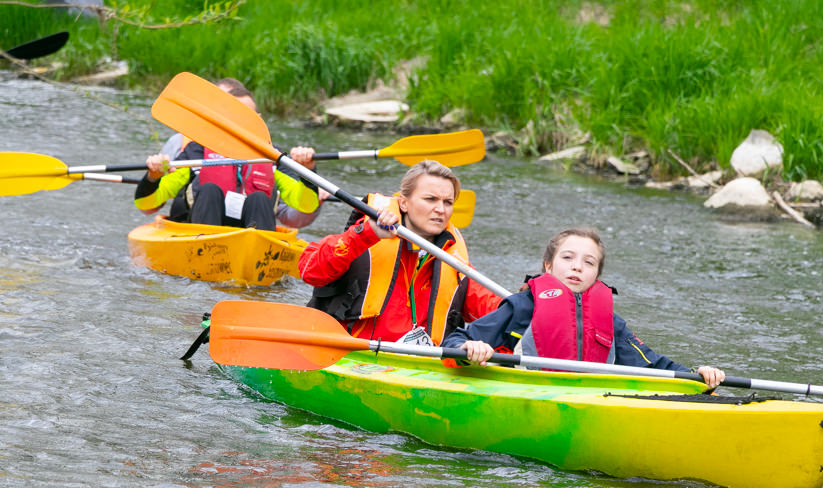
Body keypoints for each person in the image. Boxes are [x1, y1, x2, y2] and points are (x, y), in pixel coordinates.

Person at [442, 227, 726, 388]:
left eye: (589, 262)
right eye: (568, 257)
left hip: (589, 401)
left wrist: (697, 375)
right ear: (549, 266)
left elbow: (653, 365)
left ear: (596, 276)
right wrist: (472, 349)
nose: (577, 266)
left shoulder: (611, 322)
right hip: (528, 396)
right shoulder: (521, 306)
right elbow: (456, 340)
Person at [298, 160, 501, 345]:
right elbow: (310, 271)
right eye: (430, 199)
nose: (441, 209)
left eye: (447, 202)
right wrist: (365, 235)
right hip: (350, 356)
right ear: (403, 203)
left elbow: (497, 310)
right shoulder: (362, 238)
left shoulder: (454, 261)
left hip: (414, 367)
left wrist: (528, 295)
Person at [134, 78, 325, 231]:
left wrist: (308, 172)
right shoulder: (197, 151)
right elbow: (146, 204)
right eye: (234, 118)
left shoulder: (273, 158)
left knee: (259, 198)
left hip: (252, 240)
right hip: (203, 235)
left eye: (247, 118)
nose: (239, 126)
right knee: (210, 191)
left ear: (258, 121)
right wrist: (153, 177)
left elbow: (306, 205)